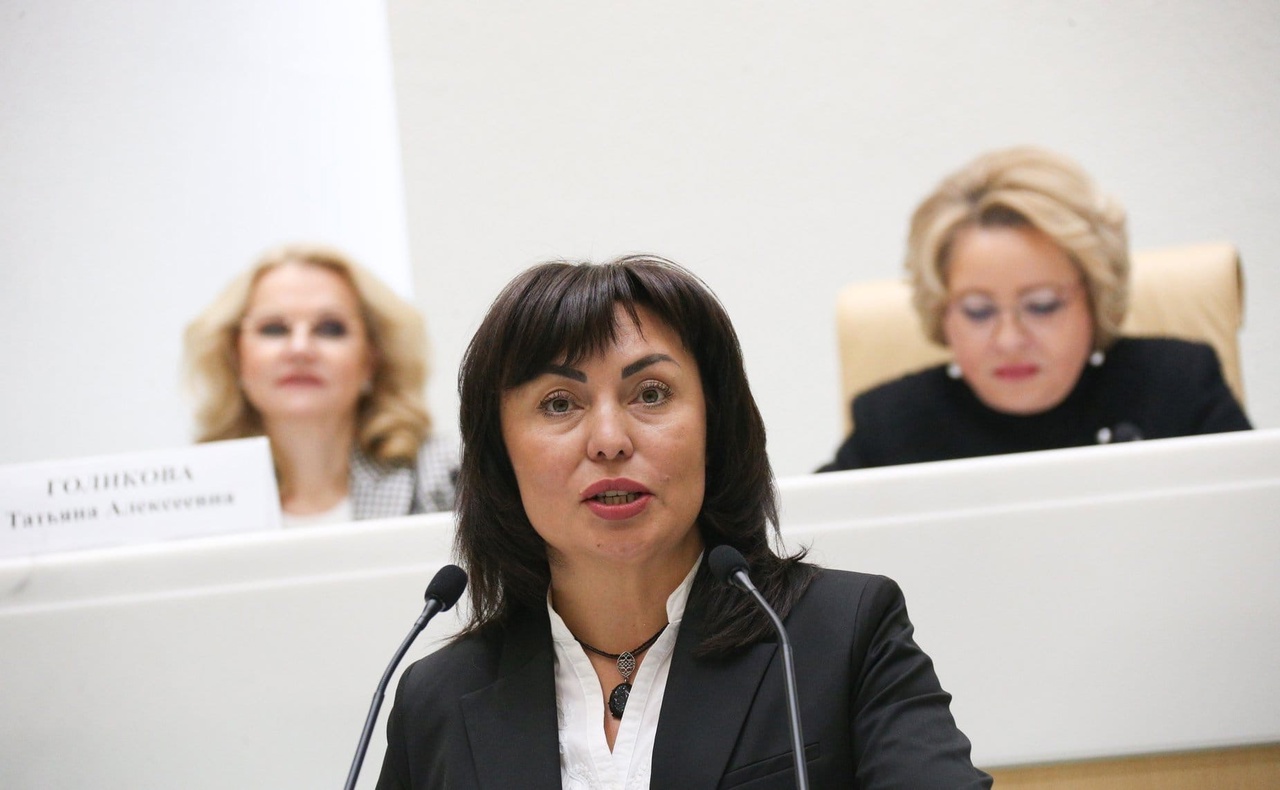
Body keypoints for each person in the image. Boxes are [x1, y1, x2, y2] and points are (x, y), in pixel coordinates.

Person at [377, 255, 990, 788]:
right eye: (559, 404)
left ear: (714, 428)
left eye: (650, 394)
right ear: (499, 454)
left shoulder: (840, 635)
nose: (610, 440)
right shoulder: (436, 701)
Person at [820, 147, 1251, 471]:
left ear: (1095, 300)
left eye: (1042, 306)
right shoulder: (893, 424)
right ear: (942, 312)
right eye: (978, 311)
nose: (1009, 340)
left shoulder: (1177, 386)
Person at [184, 244, 456, 525]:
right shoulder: (193, 496)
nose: (300, 349)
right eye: (274, 328)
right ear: (234, 356)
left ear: (371, 359)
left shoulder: (447, 479)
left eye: (330, 329)